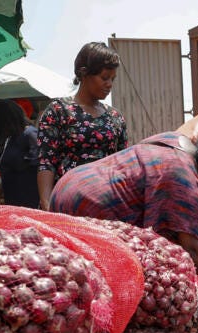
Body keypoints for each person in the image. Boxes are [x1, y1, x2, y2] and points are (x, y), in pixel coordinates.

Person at [51, 121, 198, 331]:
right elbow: (194, 248)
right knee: (99, 284)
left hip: (70, 184)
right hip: (90, 205)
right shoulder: (183, 178)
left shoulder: (175, 141)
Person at [37, 42, 128, 210]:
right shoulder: (58, 111)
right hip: (67, 205)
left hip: (106, 207)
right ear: (84, 73)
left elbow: (122, 166)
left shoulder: (115, 117)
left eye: (113, 79)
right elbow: (46, 162)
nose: (110, 84)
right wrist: (47, 206)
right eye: (104, 77)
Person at [0, 99, 40, 208]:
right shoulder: (9, 139)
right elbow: (7, 173)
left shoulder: (30, 135)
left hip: (30, 203)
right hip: (12, 203)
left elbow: (42, 169)